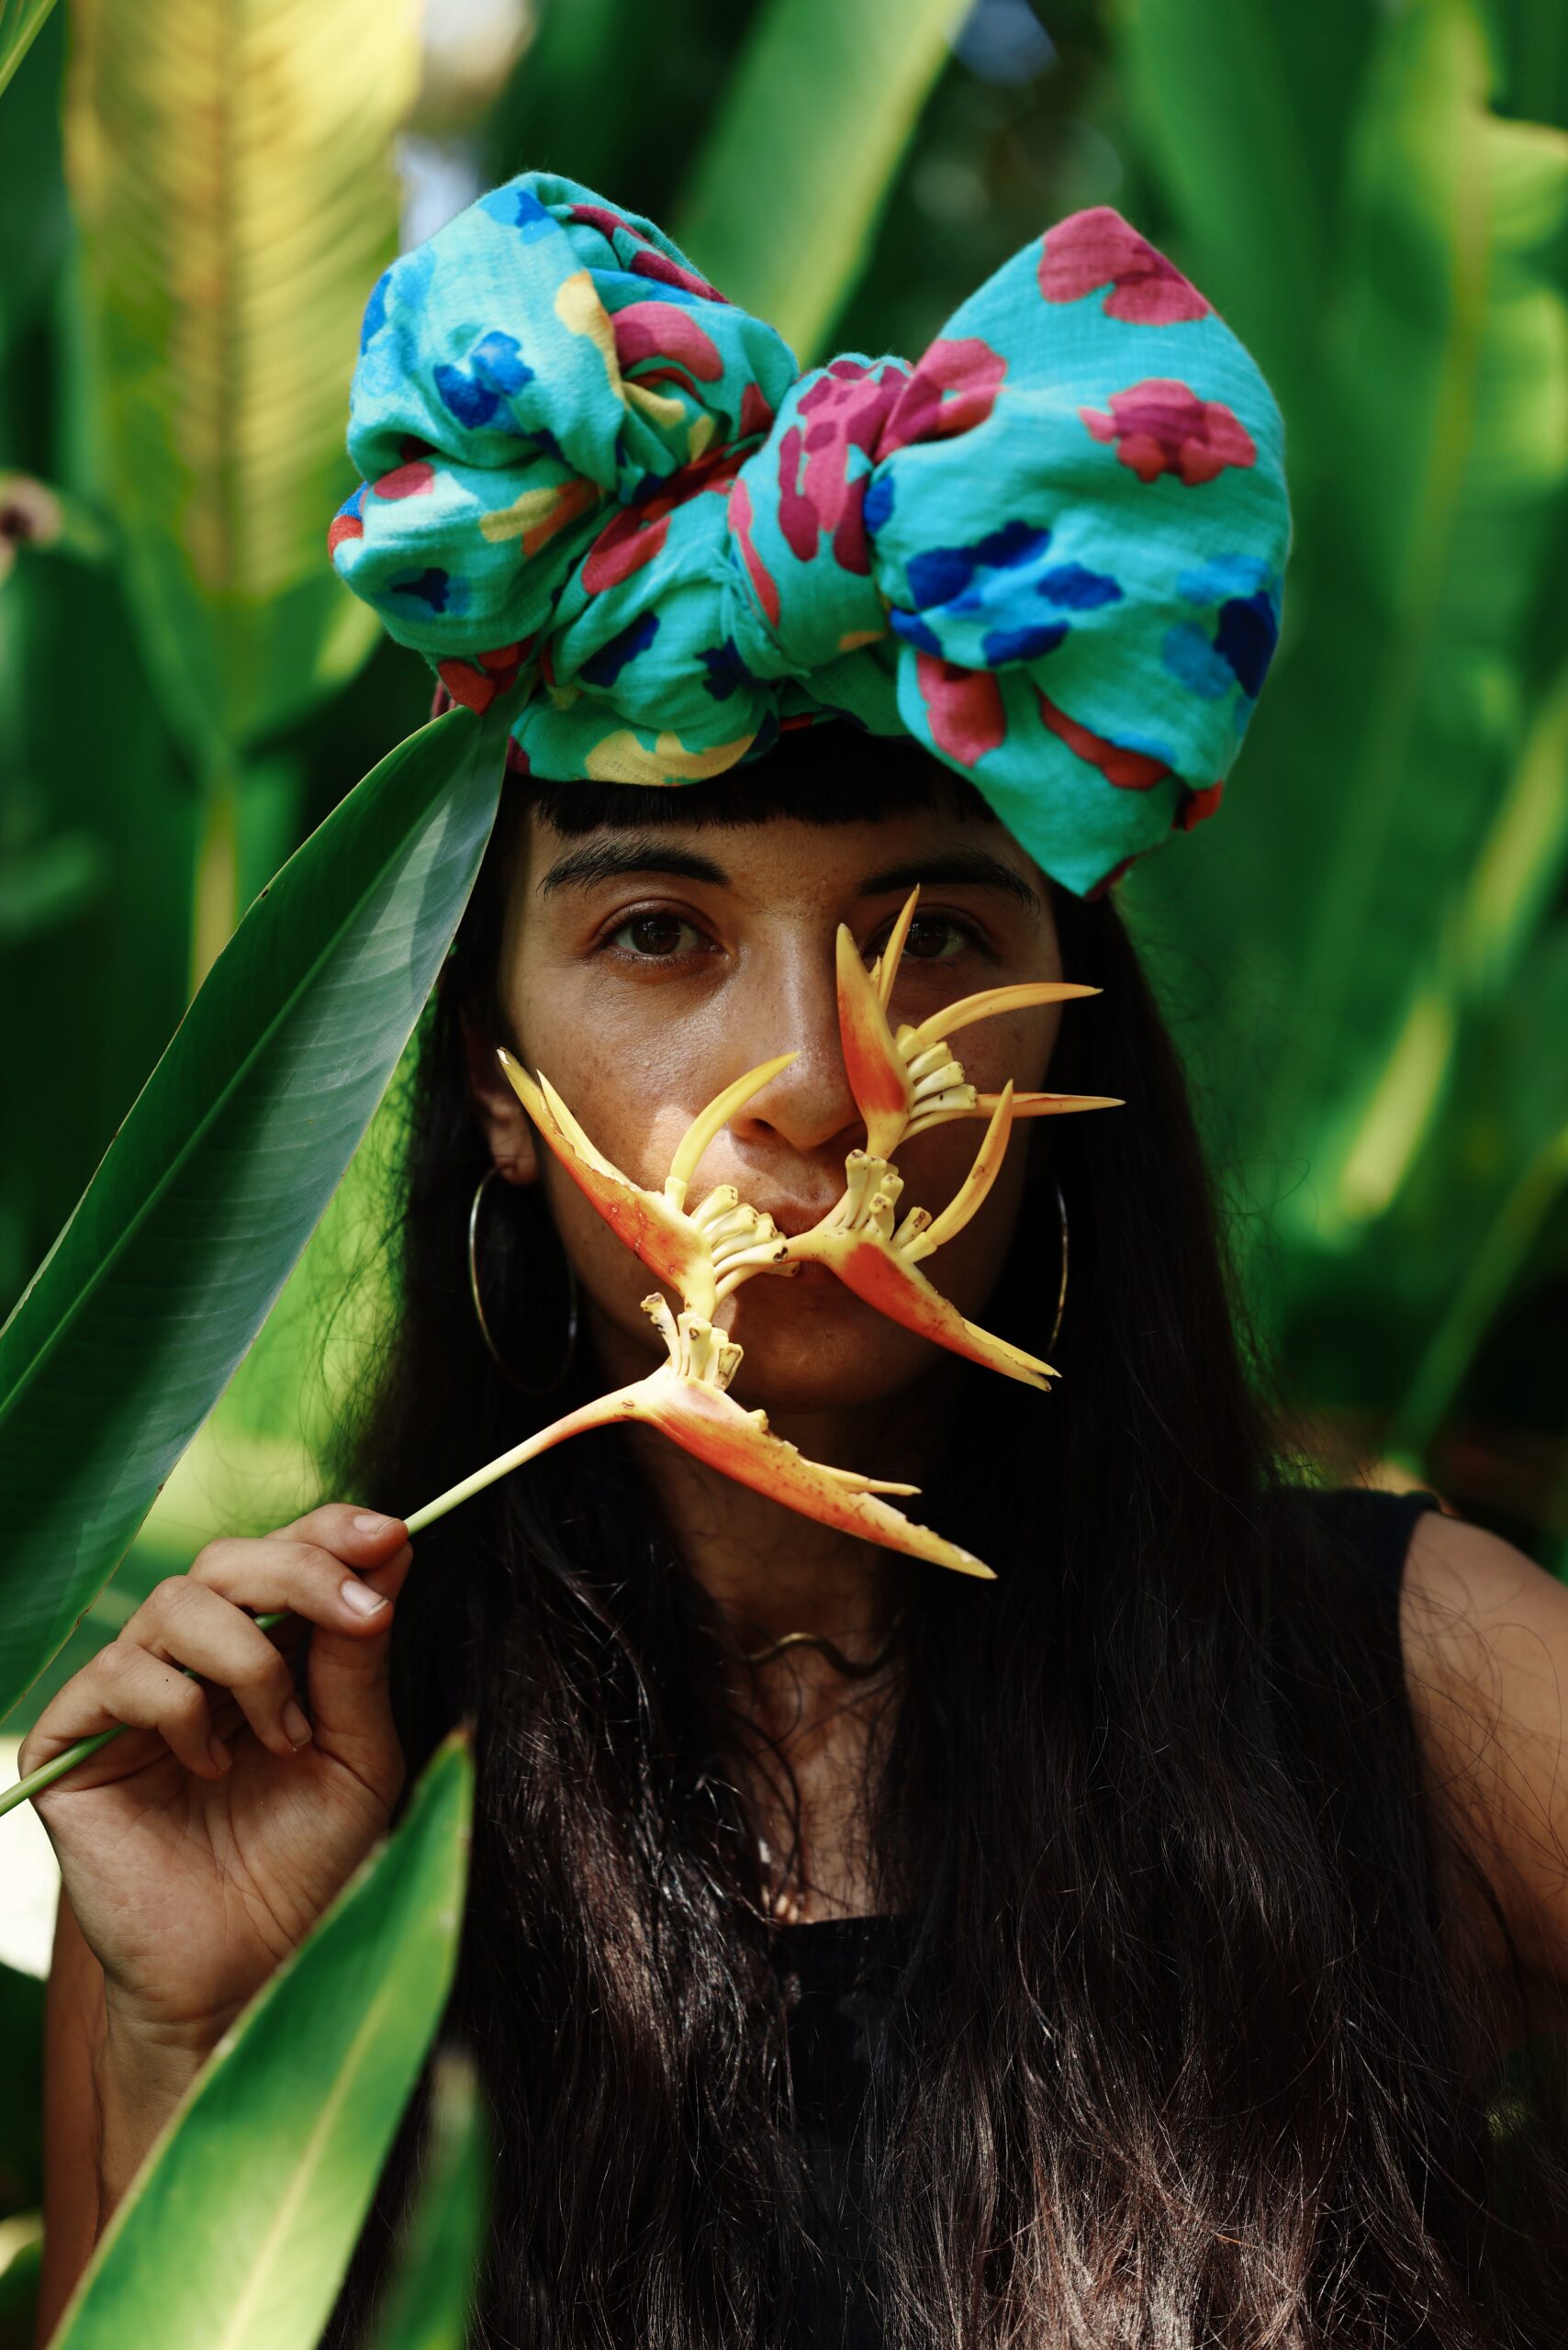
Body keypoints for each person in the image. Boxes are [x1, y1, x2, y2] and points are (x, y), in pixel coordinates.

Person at [21, 178, 1568, 2348]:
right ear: (488, 1076)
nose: (816, 1087)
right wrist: (215, 2054)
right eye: (658, 932)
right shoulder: (270, 1772)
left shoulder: (1421, 1683)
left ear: (1070, 1033)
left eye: (932, 934)